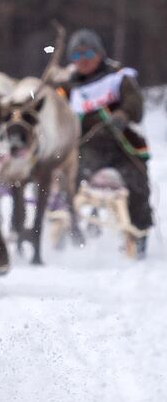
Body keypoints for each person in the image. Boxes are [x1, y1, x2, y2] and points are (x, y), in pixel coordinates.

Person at [62, 28, 152, 256]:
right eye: (76, 56)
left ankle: (139, 231)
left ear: (99, 54)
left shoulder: (119, 76)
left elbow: (135, 104)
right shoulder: (66, 85)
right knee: (69, 180)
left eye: (87, 54)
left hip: (122, 145)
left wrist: (123, 115)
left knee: (137, 182)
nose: (82, 61)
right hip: (86, 147)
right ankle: (69, 232)